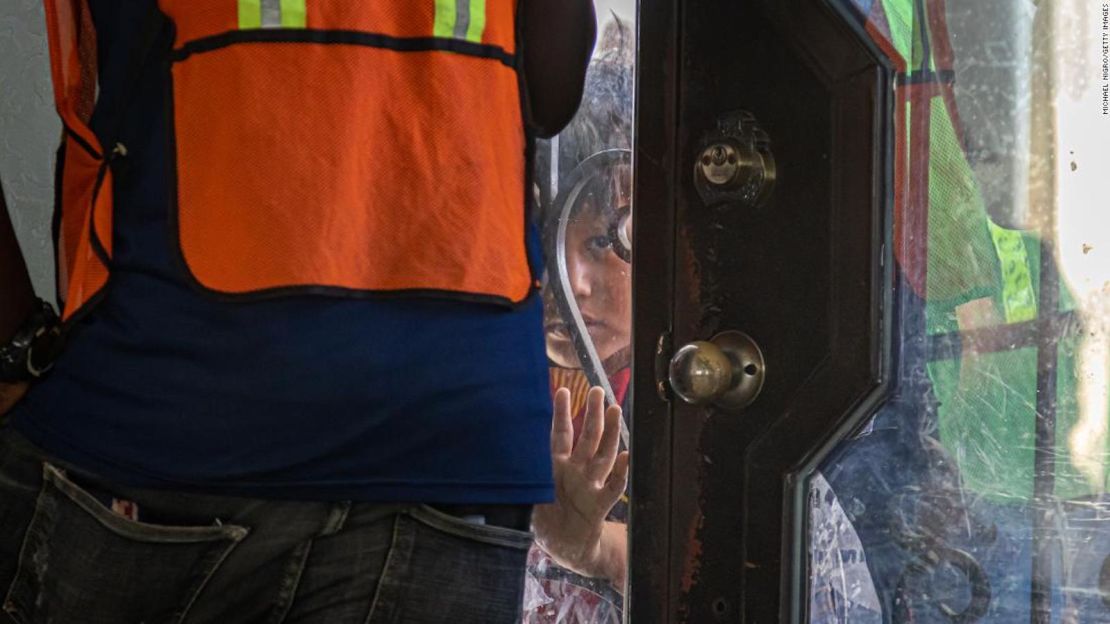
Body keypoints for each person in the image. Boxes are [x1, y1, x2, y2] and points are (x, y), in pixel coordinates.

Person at [0, 2, 596, 622]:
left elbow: (548, 95)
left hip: (175, 416)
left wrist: (14, 347)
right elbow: (550, 94)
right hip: (441, 429)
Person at [524, 19, 634, 622]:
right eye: (541, 241)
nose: (569, 284)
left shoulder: (696, 399)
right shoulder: (482, 390)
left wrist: (593, 549)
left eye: (601, 241)